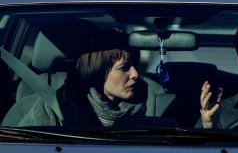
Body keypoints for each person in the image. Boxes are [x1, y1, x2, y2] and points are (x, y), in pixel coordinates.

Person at [19, 28, 147, 127]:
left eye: (135, 65)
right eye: (124, 67)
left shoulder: (138, 106)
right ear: (98, 72)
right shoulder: (57, 106)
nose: (135, 74)